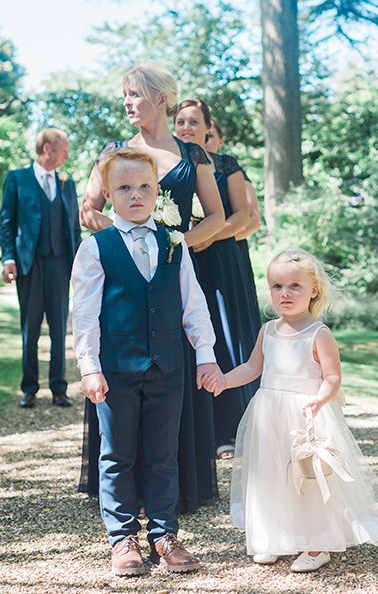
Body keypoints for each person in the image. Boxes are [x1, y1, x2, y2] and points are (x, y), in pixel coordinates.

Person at [78, 64, 225, 513]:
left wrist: (176, 246)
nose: (127, 102)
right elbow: (88, 207)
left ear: (161, 99)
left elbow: (217, 216)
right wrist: (117, 237)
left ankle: (174, 491)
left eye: (135, 94)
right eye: (124, 94)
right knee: (124, 382)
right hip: (125, 281)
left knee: (171, 382)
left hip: (175, 279)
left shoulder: (192, 154)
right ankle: (124, 493)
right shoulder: (115, 153)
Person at [72, 149, 221, 575]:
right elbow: (84, 314)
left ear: (157, 191)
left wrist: (205, 358)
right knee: (117, 454)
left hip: (168, 366)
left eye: (144, 187)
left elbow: (194, 305)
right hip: (116, 369)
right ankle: (122, 539)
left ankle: (164, 534)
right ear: (108, 193)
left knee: (163, 453)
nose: (135, 195)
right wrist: (90, 366)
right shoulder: (95, 248)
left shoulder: (174, 242)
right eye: (123, 187)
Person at [207, 249, 378, 571]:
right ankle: (273, 535)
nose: (284, 293)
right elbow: (250, 368)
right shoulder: (268, 331)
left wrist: (319, 398)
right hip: (269, 414)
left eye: (294, 286)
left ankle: (317, 543)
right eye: (277, 286)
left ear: (313, 289)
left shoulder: (319, 334)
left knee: (308, 477)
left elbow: (332, 377)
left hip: (305, 416)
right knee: (270, 474)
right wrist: (223, 380)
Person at [175, 100, 260, 459]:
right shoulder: (173, 164)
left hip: (222, 261)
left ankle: (235, 426)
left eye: (194, 121)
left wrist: (209, 235)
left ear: (208, 127)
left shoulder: (226, 166)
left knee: (225, 338)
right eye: (180, 121)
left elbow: (244, 217)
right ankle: (194, 429)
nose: (187, 127)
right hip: (183, 262)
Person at [0, 128, 81, 408]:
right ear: (47, 149)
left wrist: (79, 265)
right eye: (64, 149)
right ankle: (29, 388)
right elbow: (7, 222)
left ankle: (59, 388)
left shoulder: (67, 183)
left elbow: (73, 228)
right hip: (29, 264)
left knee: (59, 329)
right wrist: (7, 257)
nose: (67, 154)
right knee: (30, 330)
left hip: (60, 264)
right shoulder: (17, 179)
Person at [205, 118, 262, 344]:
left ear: (220, 140)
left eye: (209, 136)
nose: (204, 141)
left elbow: (253, 219)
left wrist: (216, 237)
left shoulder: (231, 170)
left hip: (230, 248)